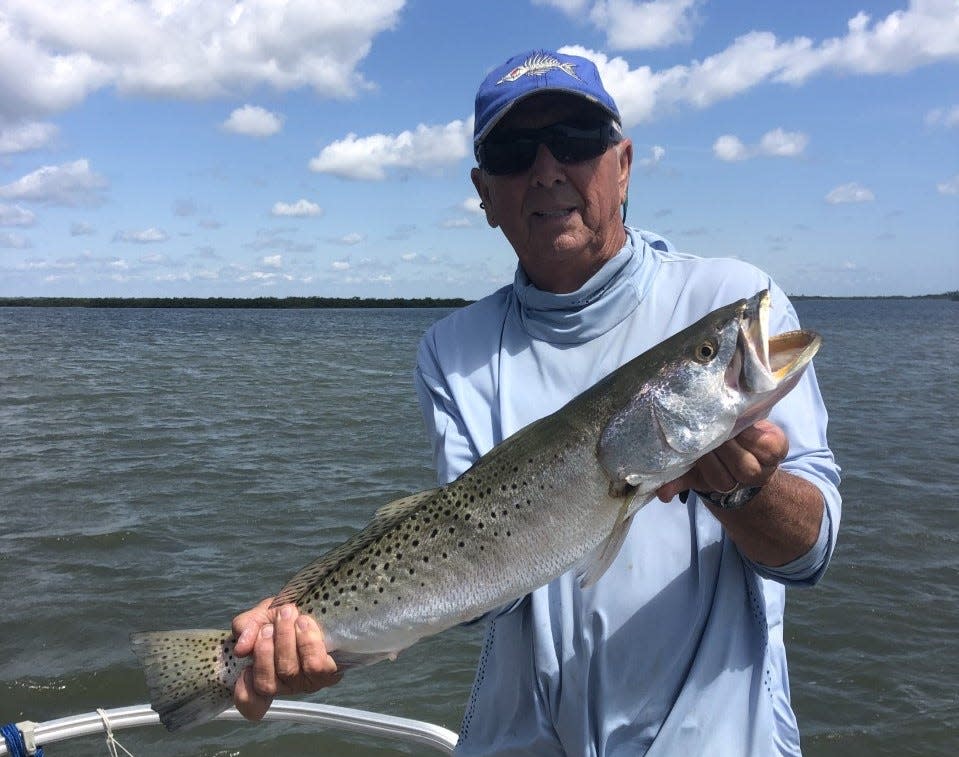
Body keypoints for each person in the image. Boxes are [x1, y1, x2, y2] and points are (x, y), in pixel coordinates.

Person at [231, 49, 842, 756]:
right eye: (514, 151)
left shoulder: (723, 300)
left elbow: (811, 552)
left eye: (577, 141)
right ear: (483, 193)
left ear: (623, 163)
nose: (548, 169)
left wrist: (745, 493)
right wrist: (328, 636)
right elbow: (488, 590)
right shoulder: (452, 348)